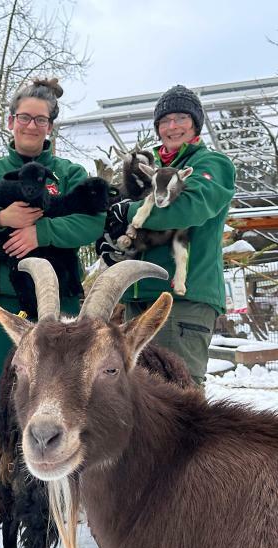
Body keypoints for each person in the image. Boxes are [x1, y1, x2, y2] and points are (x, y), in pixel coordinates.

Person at [0, 78, 105, 527]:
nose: (30, 125)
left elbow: (91, 223)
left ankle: (70, 491)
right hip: (2, 304)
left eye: (39, 120)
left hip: (59, 309)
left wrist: (39, 233)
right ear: (11, 123)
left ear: (50, 127)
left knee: (69, 398)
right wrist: (0, 218)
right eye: (23, 117)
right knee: (0, 398)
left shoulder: (71, 174)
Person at [99, 84, 236, 386]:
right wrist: (114, 245)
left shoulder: (209, 164)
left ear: (195, 123)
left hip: (181, 300)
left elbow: (188, 206)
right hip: (139, 297)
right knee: (139, 397)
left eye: (181, 118)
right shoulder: (151, 170)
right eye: (164, 121)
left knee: (178, 393)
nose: (172, 126)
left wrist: (130, 211)